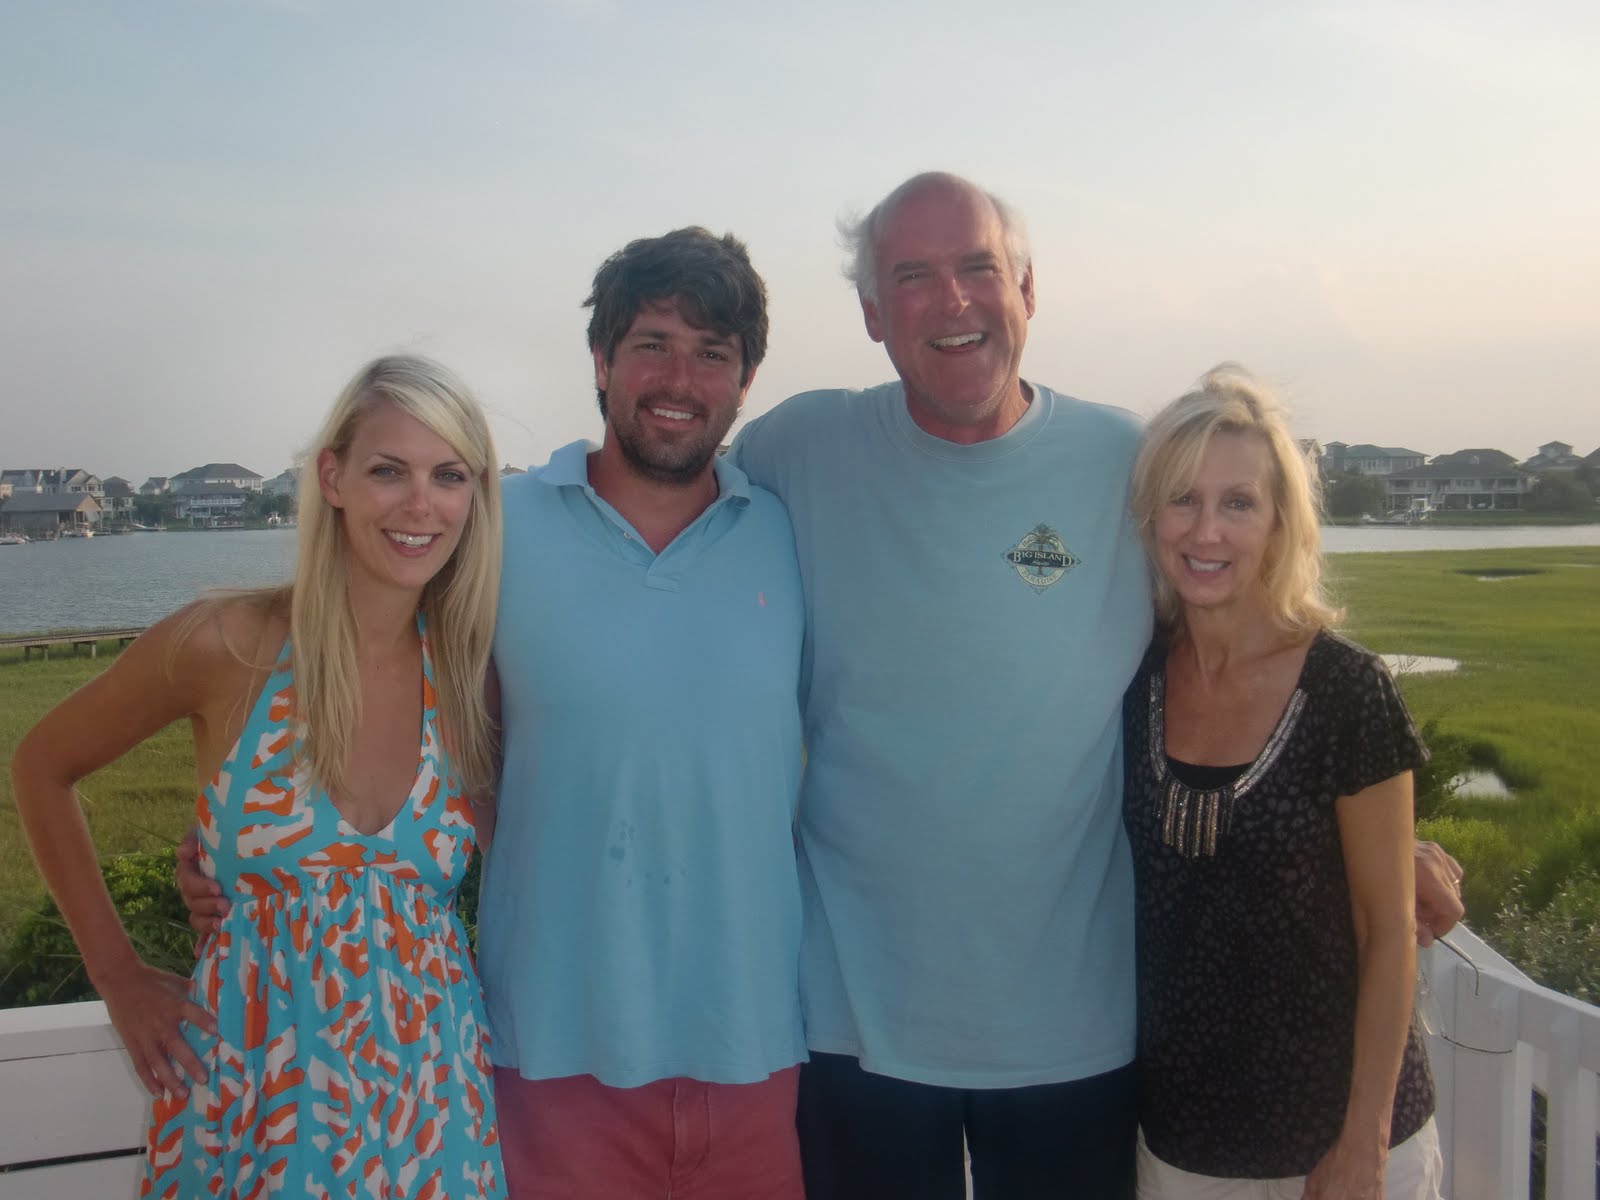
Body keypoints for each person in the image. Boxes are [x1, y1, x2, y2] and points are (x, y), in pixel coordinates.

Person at [729, 171, 1465, 1200]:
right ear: (869, 312)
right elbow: (680, 566)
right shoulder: (794, 450)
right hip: (854, 1026)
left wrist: (1379, 840)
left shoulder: (1121, 460)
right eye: (913, 276)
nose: (952, 300)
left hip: (1077, 1032)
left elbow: (1236, 622)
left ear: (1028, 289)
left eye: (978, 266)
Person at [13, 355, 507, 1198]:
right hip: (254, 1104)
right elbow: (41, 766)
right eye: (389, 470)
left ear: (476, 496)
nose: (420, 504)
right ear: (333, 477)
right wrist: (117, 974)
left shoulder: (468, 675)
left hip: (433, 1104)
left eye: (449, 475)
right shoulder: (228, 644)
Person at [474, 227, 807, 1200]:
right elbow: (422, 735)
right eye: (652, 344)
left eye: (713, 353)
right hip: (550, 1053)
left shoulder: (790, 533)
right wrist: (240, 848)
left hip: (754, 1047)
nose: (680, 379)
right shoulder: (496, 527)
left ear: (745, 381)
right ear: (601, 360)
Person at [1123, 365, 1441, 1199]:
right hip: (1184, 1147)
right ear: (1151, 516)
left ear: (1278, 522)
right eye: (1183, 499)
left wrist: (1364, 1143)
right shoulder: (1130, 680)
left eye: (1238, 502)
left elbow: (1388, 930)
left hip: (1338, 1147)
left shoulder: (1345, 690)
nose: (1207, 531)